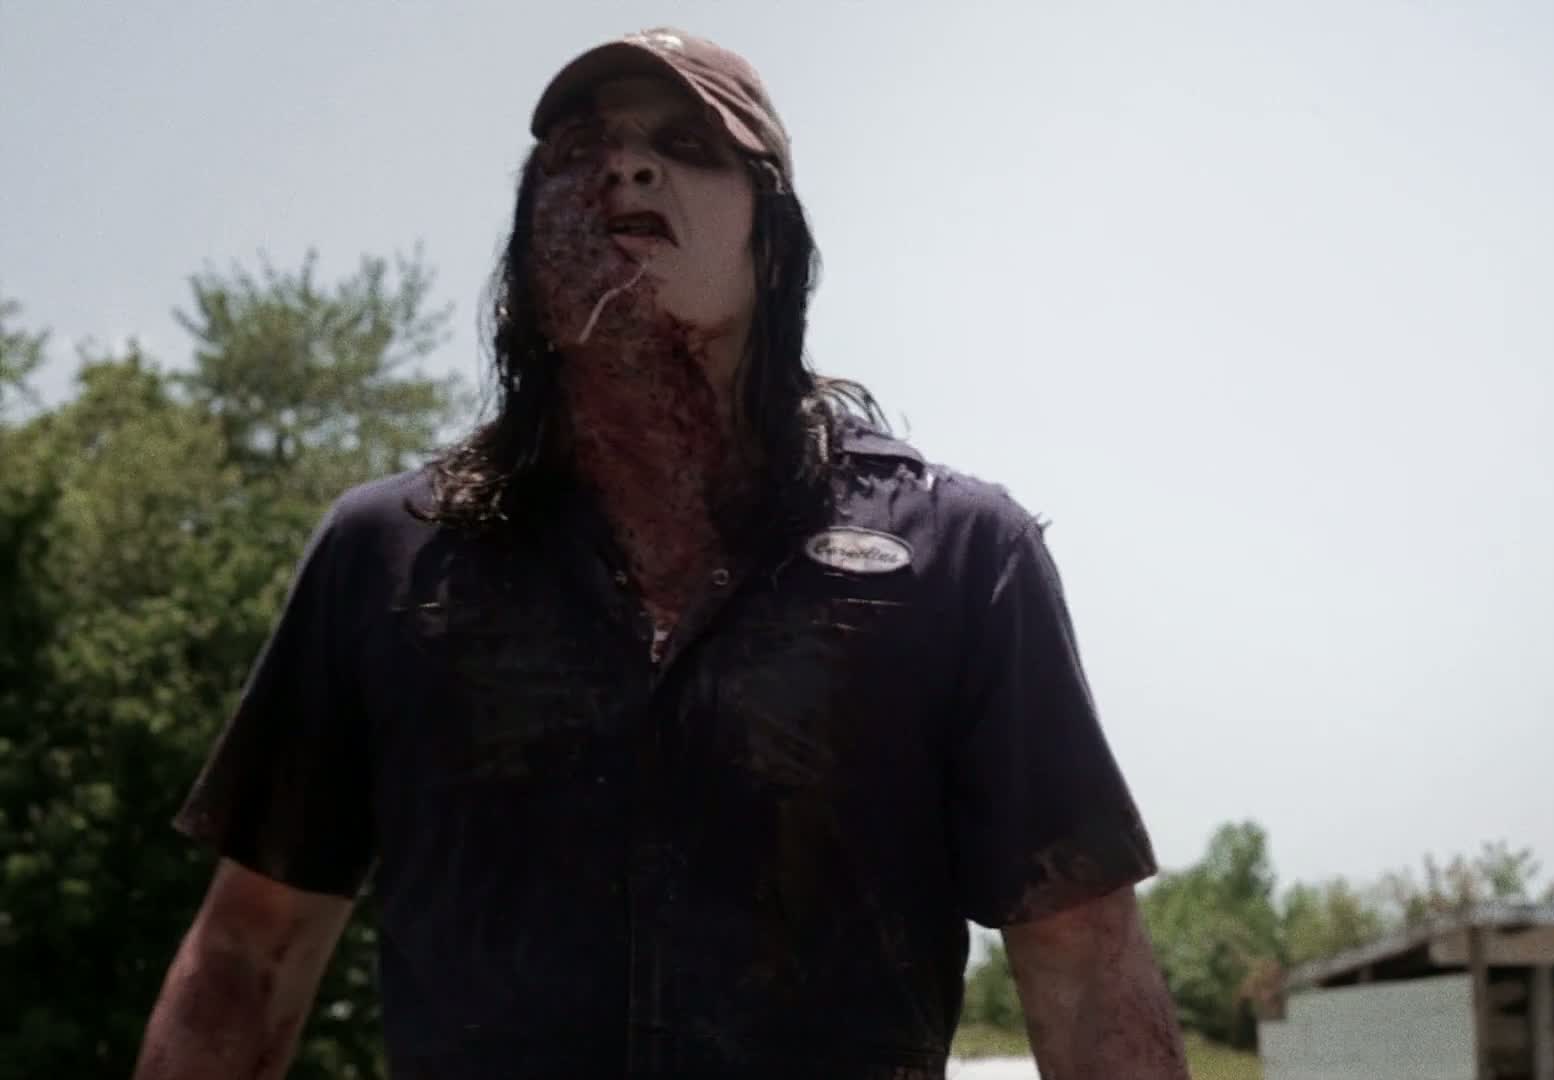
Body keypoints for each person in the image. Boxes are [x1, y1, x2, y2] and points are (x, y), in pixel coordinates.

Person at [134, 28, 1186, 1080]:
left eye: (686, 146)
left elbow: (1088, 973)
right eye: (577, 154)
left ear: (771, 242)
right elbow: (247, 959)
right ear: (531, 247)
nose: (625, 169)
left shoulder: (958, 557)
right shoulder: (386, 557)